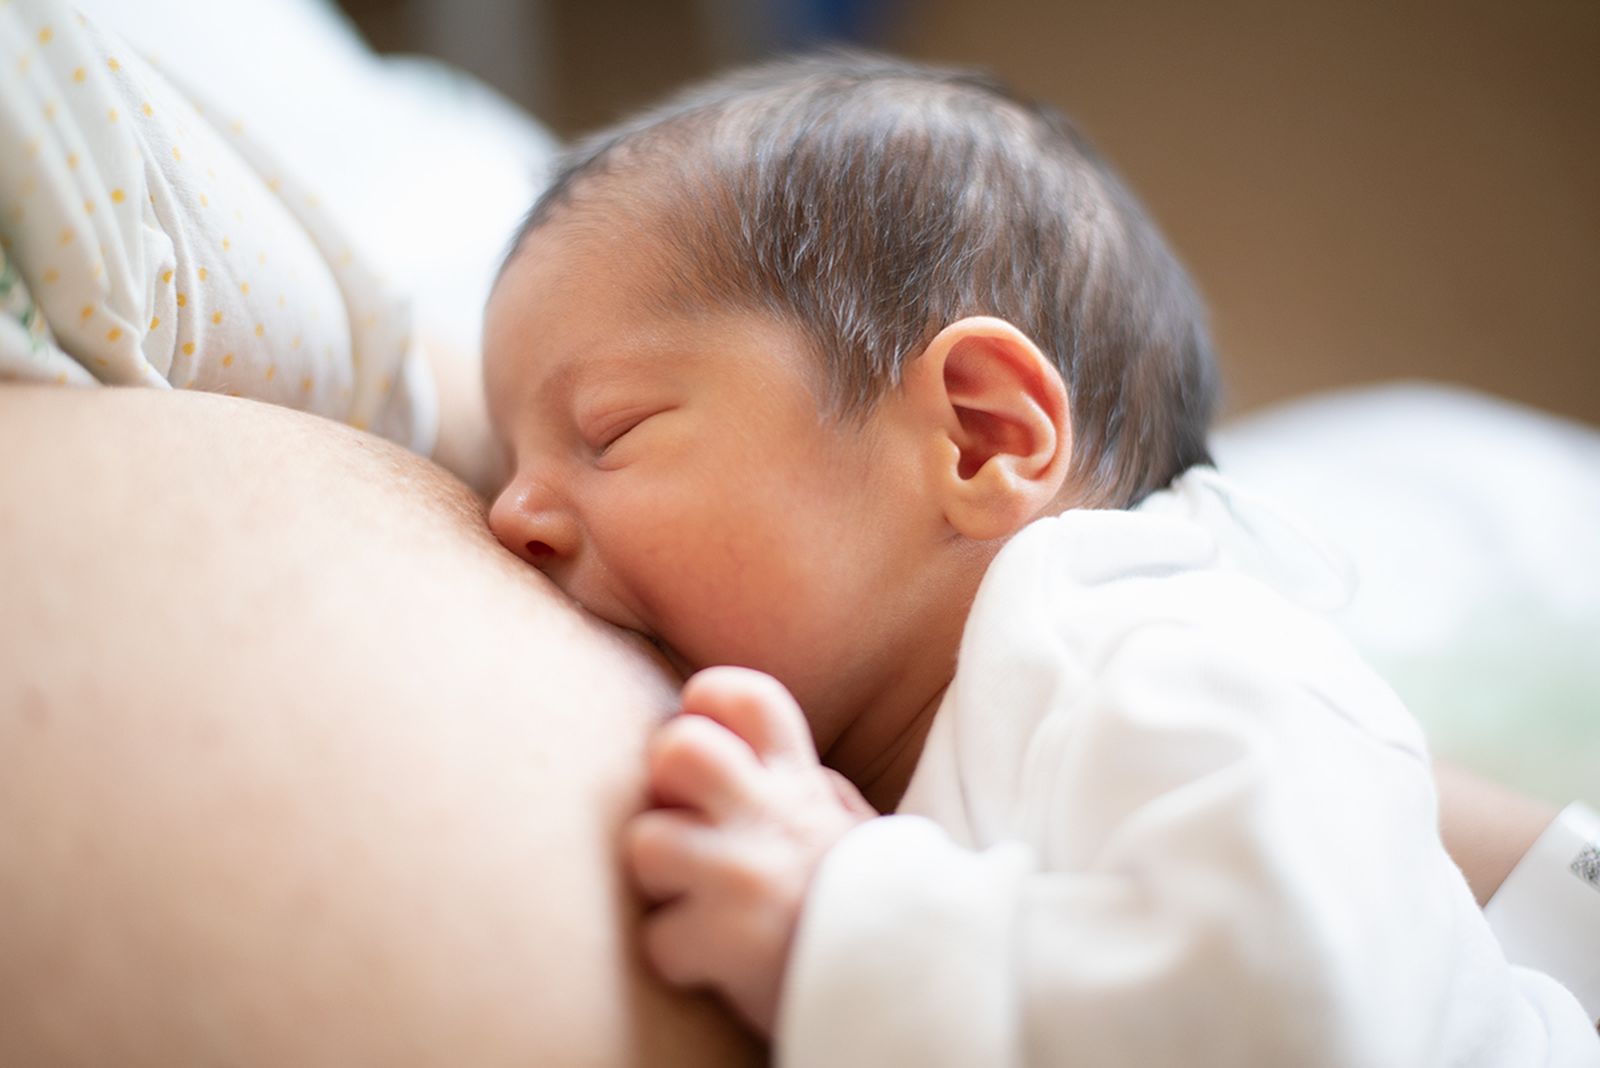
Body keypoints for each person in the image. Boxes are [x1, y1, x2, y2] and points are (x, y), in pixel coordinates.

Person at [482, 52, 1600, 1065]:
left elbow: (1309, 1014)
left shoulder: (1162, 650)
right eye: (503, 464)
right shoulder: (934, 748)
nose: (511, 512)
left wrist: (842, 915)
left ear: (980, 435)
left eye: (612, 428)